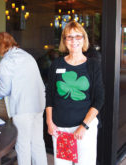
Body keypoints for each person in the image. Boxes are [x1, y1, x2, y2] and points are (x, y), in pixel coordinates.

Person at [0, 32, 47, 165]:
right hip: (38, 105)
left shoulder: (6, 61)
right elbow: (20, 81)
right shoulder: (27, 56)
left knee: (22, 145)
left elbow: (5, 90)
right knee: (37, 143)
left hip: (23, 107)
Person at [46, 21, 104, 165]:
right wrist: (49, 122)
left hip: (85, 129)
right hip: (61, 128)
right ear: (64, 41)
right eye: (69, 37)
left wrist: (83, 126)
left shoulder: (92, 65)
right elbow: (50, 95)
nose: (74, 41)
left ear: (84, 39)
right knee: (63, 163)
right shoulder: (57, 64)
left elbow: (99, 99)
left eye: (78, 36)